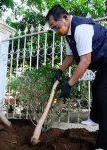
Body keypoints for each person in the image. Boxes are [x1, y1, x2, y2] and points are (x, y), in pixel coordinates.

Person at [46, 4, 107, 150]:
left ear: (65, 18)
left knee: (103, 97)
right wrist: (59, 71)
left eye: (56, 26)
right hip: (104, 64)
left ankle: (103, 145)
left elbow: (85, 60)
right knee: (97, 89)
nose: (55, 30)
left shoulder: (81, 28)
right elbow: (71, 56)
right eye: (53, 28)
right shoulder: (68, 34)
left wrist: (70, 84)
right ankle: (94, 119)